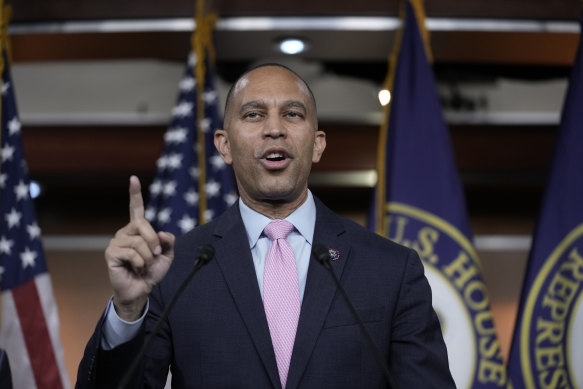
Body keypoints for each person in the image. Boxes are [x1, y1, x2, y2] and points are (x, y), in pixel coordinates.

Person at [76, 64, 455, 389]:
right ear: (223, 146)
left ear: (318, 144)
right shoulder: (176, 267)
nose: (274, 129)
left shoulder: (391, 269)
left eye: (293, 114)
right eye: (254, 115)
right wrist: (127, 310)